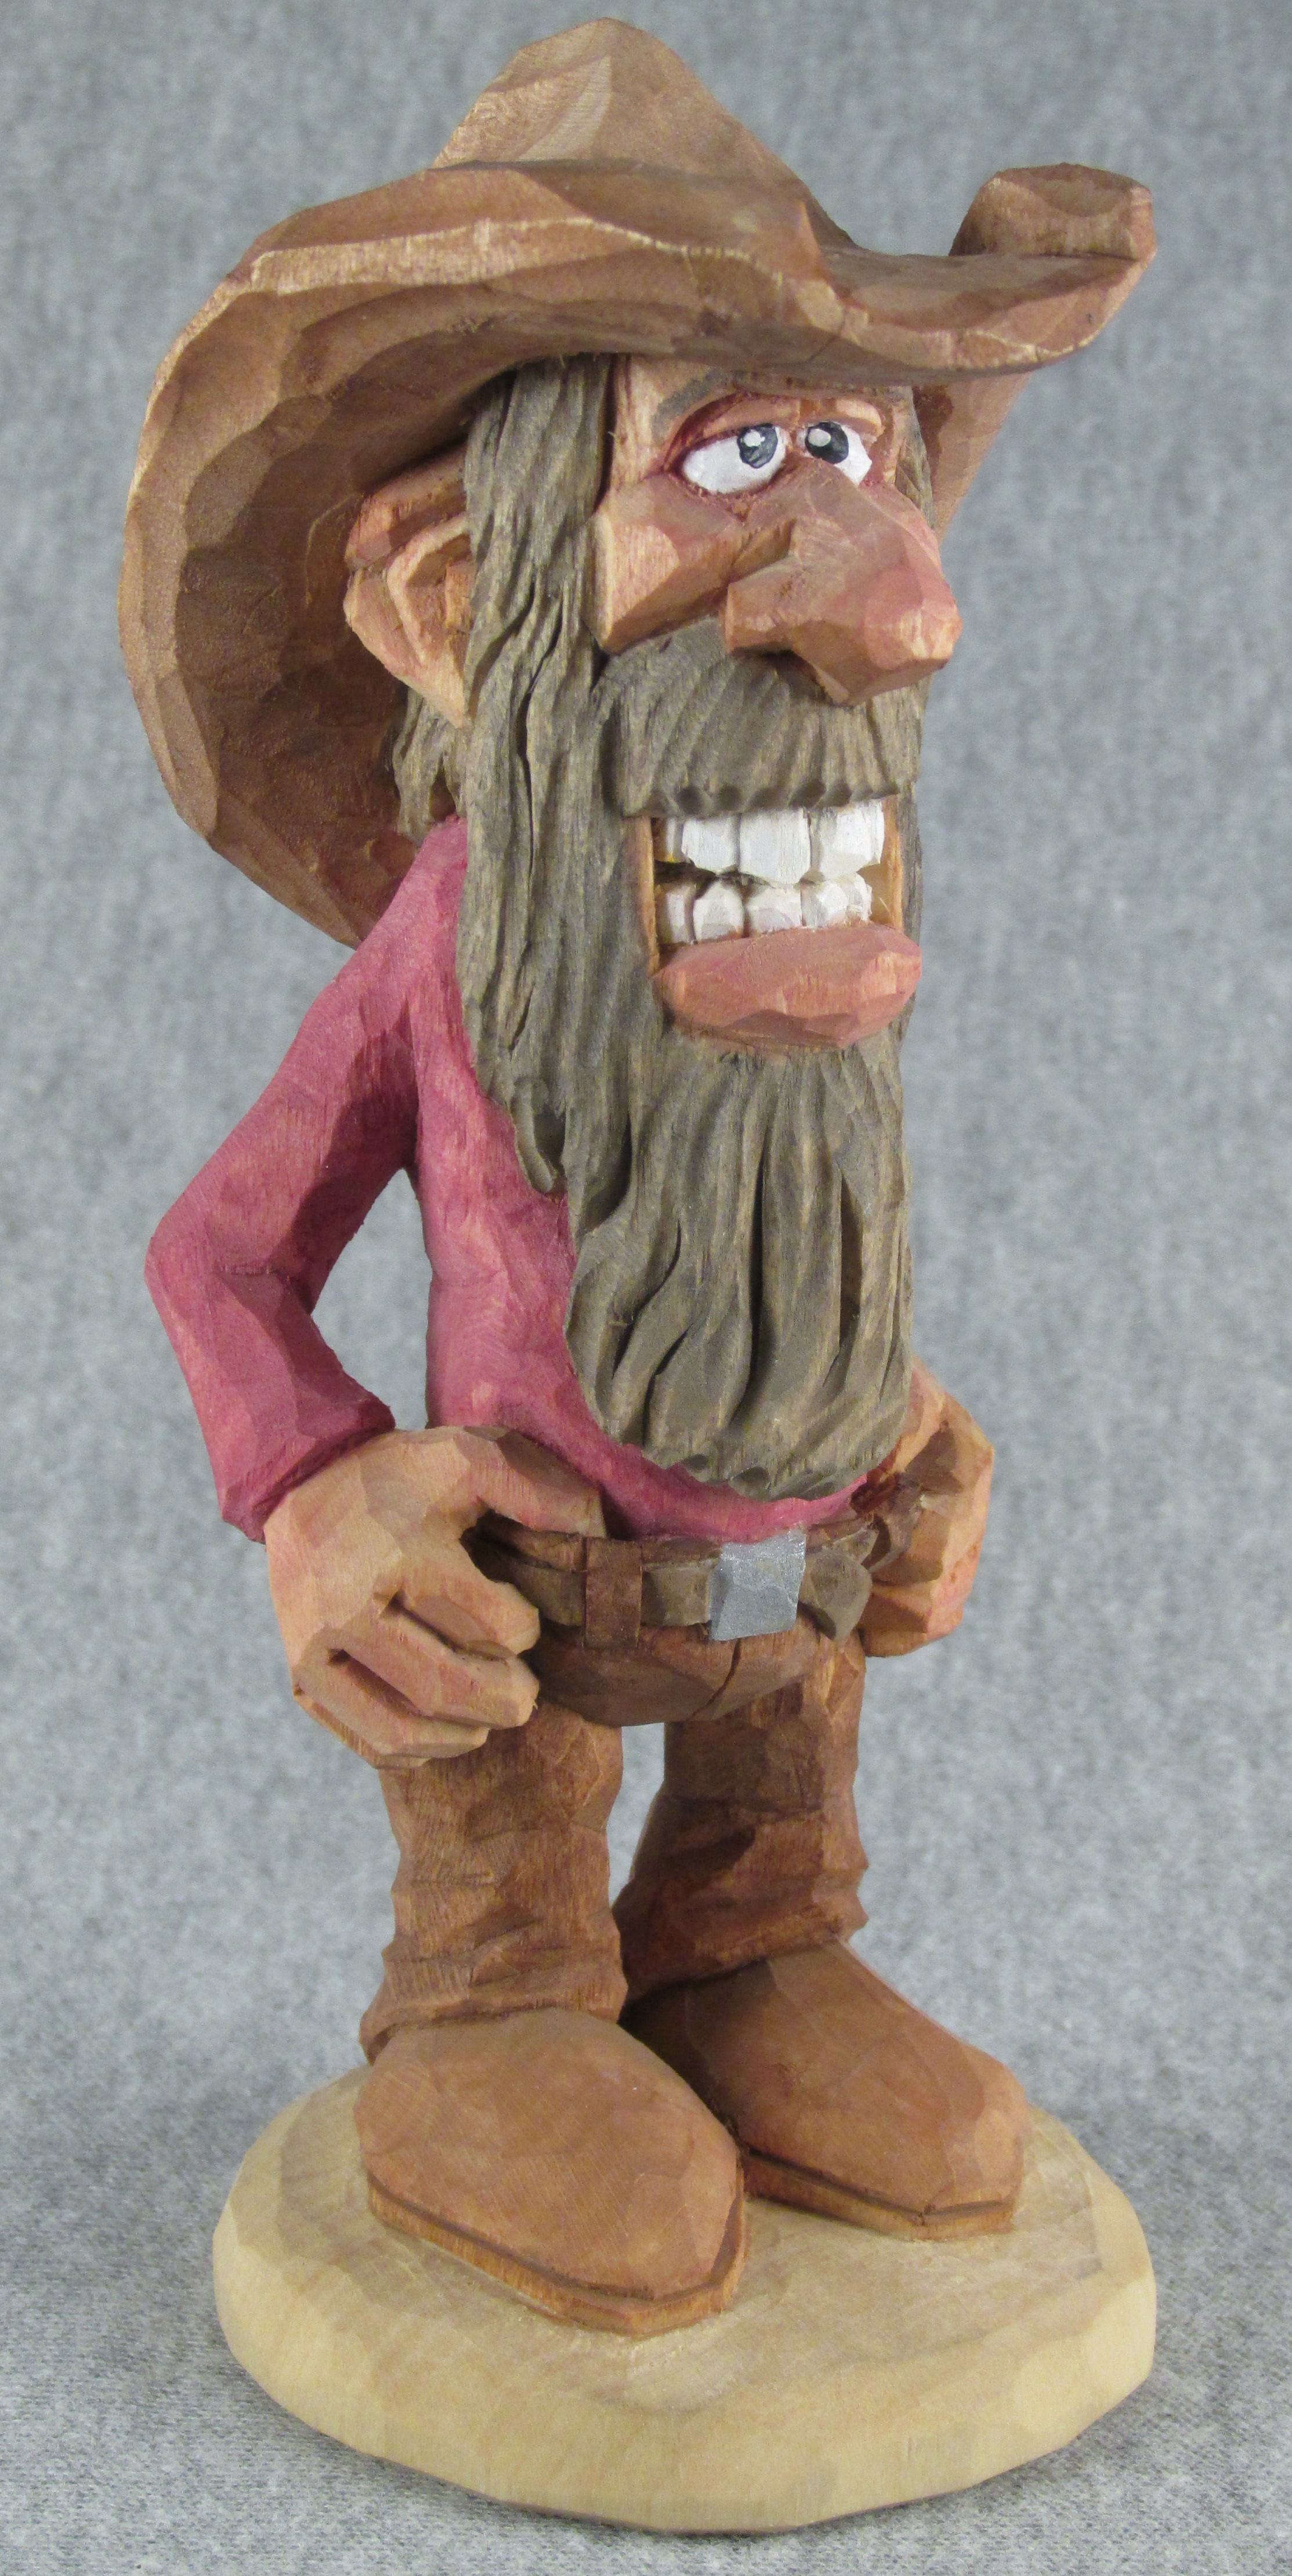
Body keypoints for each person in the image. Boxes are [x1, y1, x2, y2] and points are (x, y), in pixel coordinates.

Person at [124, 21, 1153, 2334]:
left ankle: (746, 1938)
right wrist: (314, 1490)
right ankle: (495, 1992)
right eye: (738, 457)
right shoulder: (453, 938)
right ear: (445, 602)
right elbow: (220, 1247)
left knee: (798, 1876)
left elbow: (791, 1206)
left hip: (796, 1581)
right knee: (507, 1871)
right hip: (526, 1598)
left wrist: (901, 1415)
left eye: (863, 461)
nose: (889, 605)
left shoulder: (821, 896)